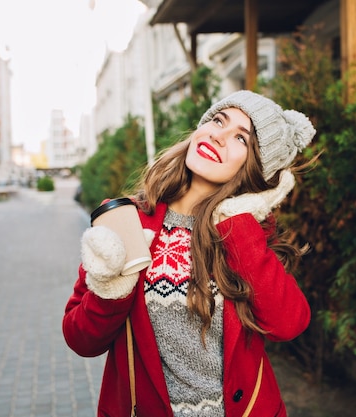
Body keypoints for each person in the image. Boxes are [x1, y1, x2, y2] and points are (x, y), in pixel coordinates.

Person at [63, 90, 316, 417]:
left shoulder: (246, 234)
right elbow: (81, 338)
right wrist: (111, 290)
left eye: (241, 138)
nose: (219, 134)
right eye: (217, 120)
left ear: (255, 169)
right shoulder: (128, 220)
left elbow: (289, 324)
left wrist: (237, 218)